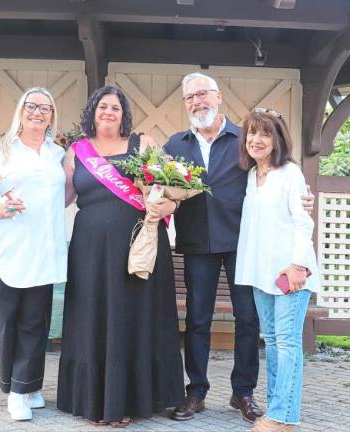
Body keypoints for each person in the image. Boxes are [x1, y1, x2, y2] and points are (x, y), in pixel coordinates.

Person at [164, 72, 314, 423]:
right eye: (190, 97)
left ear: (218, 97)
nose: (197, 101)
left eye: (203, 94)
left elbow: (274, 175)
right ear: (185, 104)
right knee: (197, 319)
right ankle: (196, 391)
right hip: (197, 242)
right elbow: (163, 188)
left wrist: (301, 199)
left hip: (242, 246)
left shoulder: (243, 138)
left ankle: (243, 392)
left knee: (248, 319)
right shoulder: (175, 145)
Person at [57, 85, 185, 427]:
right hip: (90, 251)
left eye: (115, 108)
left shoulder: (143, 144)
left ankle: (130, 399)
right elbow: (62, 198)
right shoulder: (76, 152)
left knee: (133, 317)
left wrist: (170, 202)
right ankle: (94, 400)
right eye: (102, 107)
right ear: (92, 113)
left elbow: (170, 186)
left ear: (123, 113)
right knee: (94, 317)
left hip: (138, 245)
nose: (108, 113)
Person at [0, 87, 67, 422]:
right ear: (21, 111)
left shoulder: (58, 154)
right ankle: (14, 390)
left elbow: (64, 196)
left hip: (44, 248)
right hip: (11, 248)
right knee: (11, 320)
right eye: (31, 106)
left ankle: (28, 386)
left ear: (52, 115)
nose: (37, 112)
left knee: (36, 321)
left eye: (45, 107)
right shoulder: (0, 150)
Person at [235, 109, 320, 432]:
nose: (256, 140)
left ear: (277, 139)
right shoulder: (252, 175)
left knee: (286, 343)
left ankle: (284, 417)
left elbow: (303, 221)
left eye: (265, 134)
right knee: (271, 341)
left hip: (290, 274)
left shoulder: (290, 173)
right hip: (261, 273)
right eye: (252, 133)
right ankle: (276, 411)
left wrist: (299, 264)